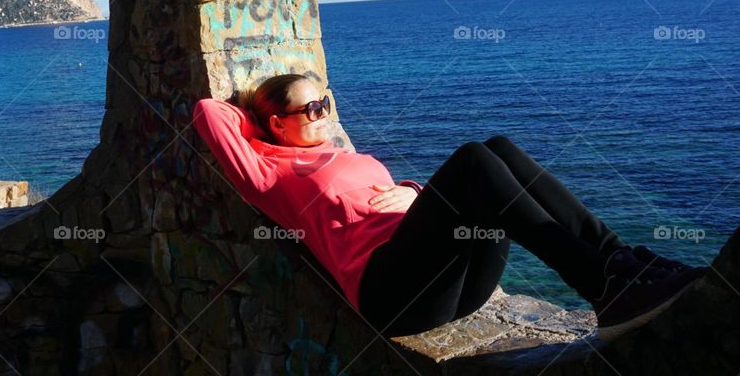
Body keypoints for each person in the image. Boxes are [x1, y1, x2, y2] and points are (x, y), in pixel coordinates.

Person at [191, 73, 710, 341]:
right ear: (278, 123)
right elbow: (208, 112)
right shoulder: (270, 173)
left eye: (325, 101)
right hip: (392, 294)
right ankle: (602, 286)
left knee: (499, 148)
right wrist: (256, 124)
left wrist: (416, 192)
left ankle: (625, 265)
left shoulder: (335, 151)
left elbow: (396, 203)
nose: (324, 113)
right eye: (310, 108)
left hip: (446, 279)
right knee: (472, 162)